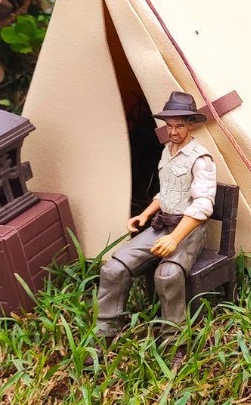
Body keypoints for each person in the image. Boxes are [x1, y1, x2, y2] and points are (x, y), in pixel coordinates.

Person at [93, 91, 216, 348]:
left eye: (179, 125)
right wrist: (145, 214)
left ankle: (175, 340)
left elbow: (203, 205)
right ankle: (104, 332)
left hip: (188, 230)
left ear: (190, 124)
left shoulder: (200, 158)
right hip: (162, 224)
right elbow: (166, 193)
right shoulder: (167, 152)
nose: (173, 131)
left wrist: (174, 238)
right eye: (169, 126)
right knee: (114, 268)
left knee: (167, 274)